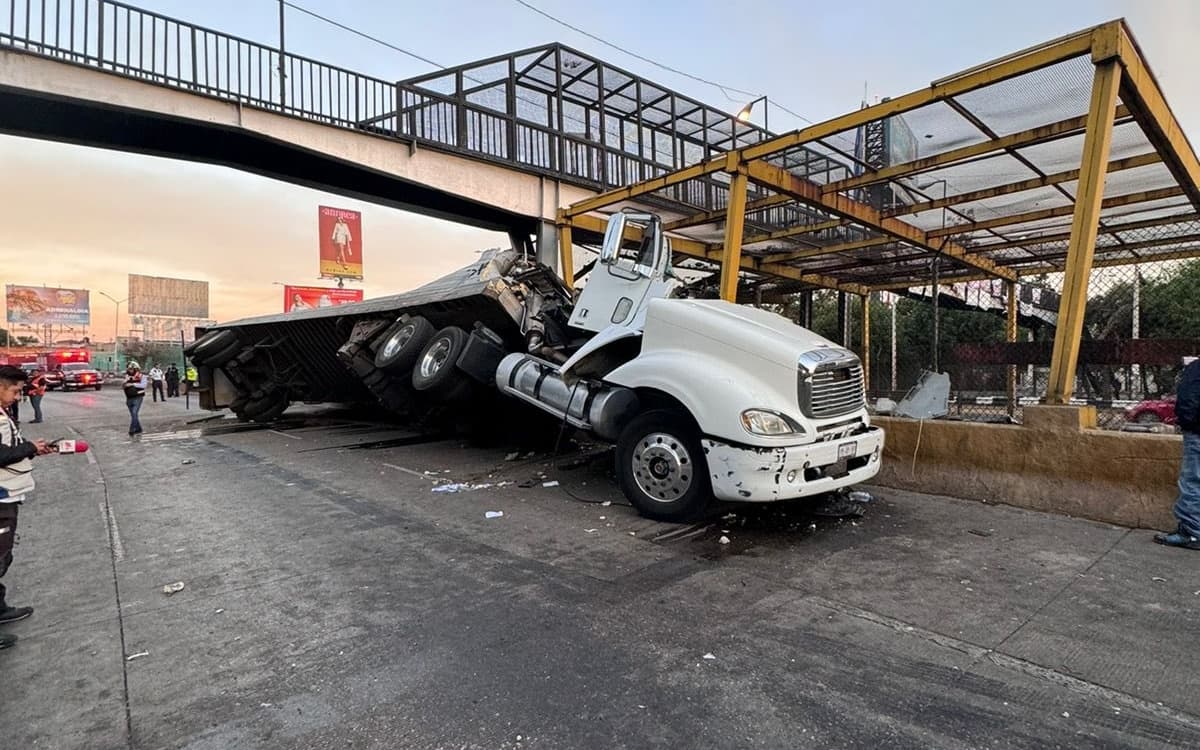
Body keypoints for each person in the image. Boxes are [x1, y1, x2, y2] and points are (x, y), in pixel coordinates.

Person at [0, 365, 53, 650]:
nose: (17, 396)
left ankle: (0, 608)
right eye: (14, 390)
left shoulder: (3, 413)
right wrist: (29, 447)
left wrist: (32, 448)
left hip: (7, 495)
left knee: (2, 556)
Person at [1154, 356, 1200, 551]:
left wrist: (1188, 423)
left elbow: (1189, 399)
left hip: (1197, 431)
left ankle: (1192, 532)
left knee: (1192, 481)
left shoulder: (1196, 369)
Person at [124, 363, 148, 436]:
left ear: (136, 369)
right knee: (133, 415)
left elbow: (144, 385)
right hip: (129, 398)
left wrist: (132, 384)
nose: (130, 370)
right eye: (129, 369)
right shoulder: (127, 376)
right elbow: (123, 386)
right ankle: (138, 428)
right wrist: (125, 382)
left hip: (138, 397)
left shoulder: (142, 376)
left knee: (134, 413)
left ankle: (132, 429)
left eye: (131, 369)